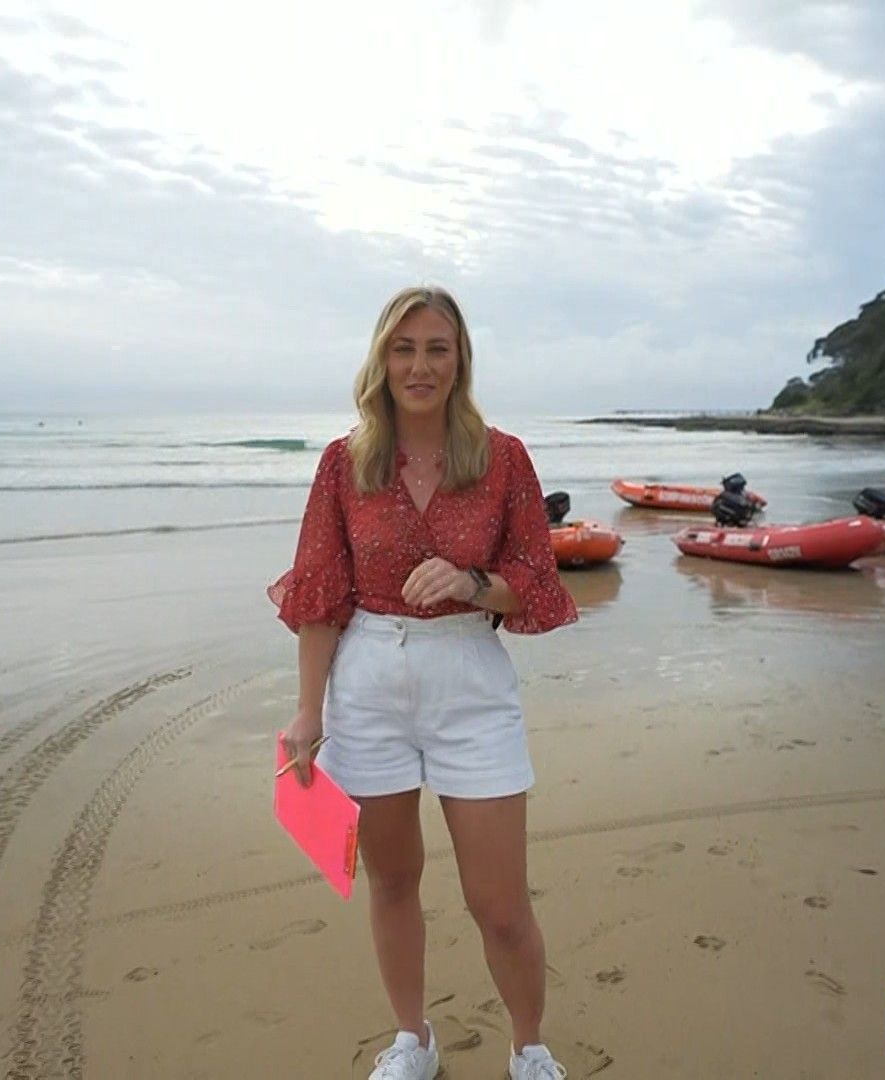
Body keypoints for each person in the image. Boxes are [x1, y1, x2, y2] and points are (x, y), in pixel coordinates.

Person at [268, 286, 578, 1080]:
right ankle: (414, 1041)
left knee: (500, 905)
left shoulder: (502, 458)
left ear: (459, 360)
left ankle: (529, 1048)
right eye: (403, 349)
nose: (419, 366)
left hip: (469, 680)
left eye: (437, 349)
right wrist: (307, 711)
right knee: (393, 882)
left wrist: (472, 582)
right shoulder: (344, 463)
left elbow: (535, 581)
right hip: (367, 682)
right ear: (382, 359)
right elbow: (320, 593)